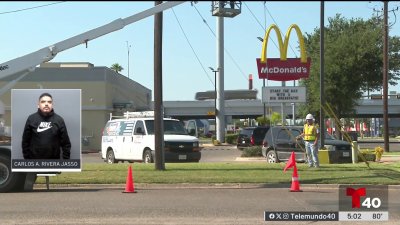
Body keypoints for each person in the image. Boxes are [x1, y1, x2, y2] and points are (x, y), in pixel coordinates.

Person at [22, 93, 71, 159]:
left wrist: (65, 162)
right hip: (35, 163)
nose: (46, 104)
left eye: (49, 102)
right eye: (43, 102)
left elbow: (66, 144)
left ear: (52, 105)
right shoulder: (31, 119)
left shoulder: (59, 120)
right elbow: (25, 141)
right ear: (38, 105)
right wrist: (27, 160)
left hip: (53, 163)